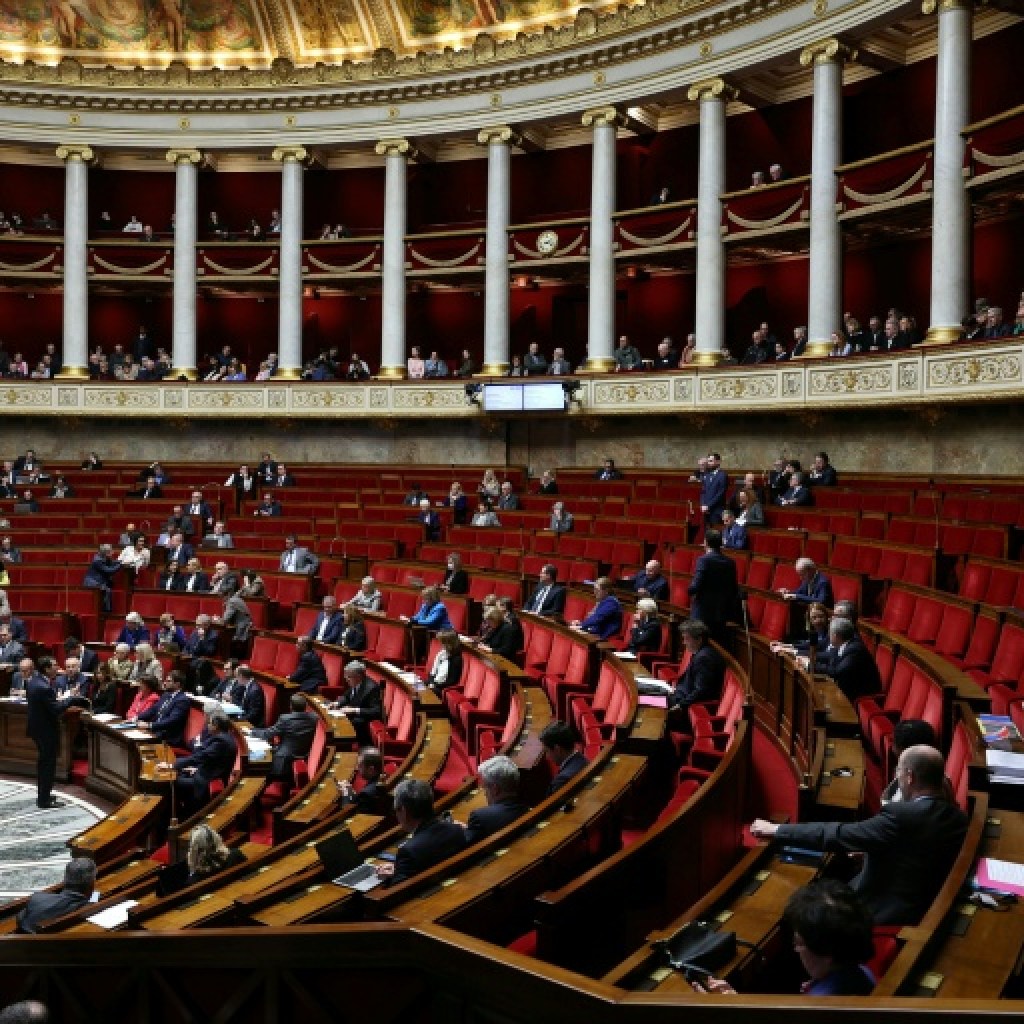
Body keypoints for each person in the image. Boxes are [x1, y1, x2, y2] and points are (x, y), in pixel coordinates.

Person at [751, 745, 969, 925]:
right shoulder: (957, 817)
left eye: (899, 771)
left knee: (804, 908)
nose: (898, 776)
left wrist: (777, 830)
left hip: (885, 910)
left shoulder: (900, 815)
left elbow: (836, 834)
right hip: (920, 899)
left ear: (909, 777)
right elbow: (922, 851)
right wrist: (874, 851)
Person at [695, 880, 876, 997]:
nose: (796, 950)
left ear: (827, 952)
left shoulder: (822, 1006)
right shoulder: (860, 972)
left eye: (799, 943)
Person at [376, 778, 467, 885]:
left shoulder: (409, 851)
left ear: (404, 812)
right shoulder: (455, 830)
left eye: (396, 809)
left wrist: (387, 879)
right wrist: (399, 869)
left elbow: (397, 890)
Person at [25, 657, 83, 808]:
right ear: (46, 669)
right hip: (46, 731)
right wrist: (71, 697)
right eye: (55, 665)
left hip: (37, 729)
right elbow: (56, 709)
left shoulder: (34, 681)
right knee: (47, 764)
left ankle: (44, 794)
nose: (58, 667)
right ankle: (43, 800)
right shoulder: (43, 687)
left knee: (44, 763)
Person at [163, 711, 236, 816]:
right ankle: (180, 812)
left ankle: (174, 817)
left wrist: (172, 765)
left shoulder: (221, 741)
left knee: (170, 782)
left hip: (205, 782)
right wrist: (195, 769)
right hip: (205, 773)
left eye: (210, 723)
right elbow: (211, 760)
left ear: (216, 726)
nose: (208, 725)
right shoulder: (224, 737)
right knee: (178, 774)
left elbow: (199, 757)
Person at [688, 530, 741, 647]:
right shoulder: (730, 562)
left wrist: (690, 590)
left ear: (706, 543)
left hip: (703, 613)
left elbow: (695, 586)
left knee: (698, 647)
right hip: (721, 613)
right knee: (716, 648)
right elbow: (733, 588)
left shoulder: (704, 560)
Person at [16, 857, 97, 933]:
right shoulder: (86, 908)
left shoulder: (36, 898)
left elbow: (20, 918)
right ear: (91, 885)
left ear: (65, 880)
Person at [251, 692, 317, 784]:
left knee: (259, 762)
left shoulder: (285, 719)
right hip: (304, 755)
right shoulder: (314, 718)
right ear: (306, 706)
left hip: (284, 759)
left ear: (290, 706)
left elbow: (268, 734)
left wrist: (252, 731)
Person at [814, 617, 882, 705]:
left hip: (861, 696)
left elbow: (837, 671)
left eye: (829, 633)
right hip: (848, 688)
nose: (828, 636)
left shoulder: (854, 649)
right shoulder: (845, 644)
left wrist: (811, 665)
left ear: (835, 636)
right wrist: (808, 658)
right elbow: (829, 657)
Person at [462, 756, 528, 844]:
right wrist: (470, 828)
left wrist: (457, 830)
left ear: (495, 789)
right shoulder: (526, 808)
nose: (484, 793)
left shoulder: (480, 817)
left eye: (485, 787)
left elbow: (465, 849)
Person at [668, 619, 725, 712]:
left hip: (683, 704)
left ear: (699, 639)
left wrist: (680, 705)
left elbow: (701, 691)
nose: (683, 643)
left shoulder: (704, 658)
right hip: (678, 695)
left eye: (686, 639)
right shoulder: (701, 653)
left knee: (647, 702)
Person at [331, 660, 382, 745]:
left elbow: (376, 711)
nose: (346, 679)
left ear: (358, 676)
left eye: (349, 677)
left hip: (363, 722)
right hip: (352, 716)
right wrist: (337, 703)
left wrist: (354, 710)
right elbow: (347, 696)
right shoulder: (355, 682)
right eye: (346, 676)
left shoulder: (372, 688)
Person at [140, 670, 190, 748]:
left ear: (177, 684)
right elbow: (153, 710)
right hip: (156, 731)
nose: (165, 683)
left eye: (168, 681)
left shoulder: (182, 700)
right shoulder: (166, 695)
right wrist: (136, 718)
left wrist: (150, 725)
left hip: (168, 737)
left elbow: (172, 721)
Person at [540, 720, 588, 795]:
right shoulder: (583, 760)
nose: (547, 757)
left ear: (557, 749)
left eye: (547, 751)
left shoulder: (562, 781)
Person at [336, 746, 388, 814]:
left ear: (371, 769)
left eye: (360, 765)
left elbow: (347, 814)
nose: (357, 768)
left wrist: (345, 793)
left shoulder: (366, 794)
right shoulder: (384, 778)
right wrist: (351, 793)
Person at [83, 543, 122, 613]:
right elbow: (109, 571)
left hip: (99, 581)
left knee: (108, 589)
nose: (113, 553)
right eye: (111, 552)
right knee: (107, 590)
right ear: (106, 553)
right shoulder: (97, 561)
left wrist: (120, 562)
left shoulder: (103, 557)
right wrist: (121, 565)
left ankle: (106, 611)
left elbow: (112, 562)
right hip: (93, 583)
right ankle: (106, 611)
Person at [700, 453, 728, 525]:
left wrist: (708, 506)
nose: (709, 463)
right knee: (707, 533)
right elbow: (703, 491)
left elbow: (720, 493)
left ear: (718, 462)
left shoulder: (722, 475)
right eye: (708, 461)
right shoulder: (707, 475)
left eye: (711, 461)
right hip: (706, 510)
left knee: (715, 534)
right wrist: (703, 504)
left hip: (716, 511)